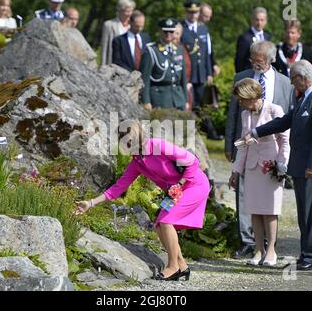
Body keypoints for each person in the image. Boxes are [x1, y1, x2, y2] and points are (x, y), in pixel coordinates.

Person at [75, 120, 210, 281]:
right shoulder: (137, 162)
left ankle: (172, 266)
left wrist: (179, 185)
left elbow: (193, 161)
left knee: (167, 221)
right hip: (176, 191)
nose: (128, 141)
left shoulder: (157, 145)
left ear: (139, 134)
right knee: (159, 225)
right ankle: (182, 266)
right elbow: (117, 188)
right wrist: (90, 203)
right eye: (123, 138)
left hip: (194, 184)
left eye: (130, 136)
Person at [248, 60, 312, 271]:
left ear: (303, 78)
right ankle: (306, 254)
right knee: (304, 213)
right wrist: (257, 131)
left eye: (294, 79)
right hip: (300, 167)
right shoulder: (304, 98)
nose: (292, 84)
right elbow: (284, 122)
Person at [225, 40, 295, 259]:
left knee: (270, 209)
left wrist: (282, 164)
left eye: (260, 60)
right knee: (251, 207)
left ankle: (271, 249)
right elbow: (237, 128)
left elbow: (285, 137)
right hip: (250, 162)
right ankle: (254, 246)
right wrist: (233, 160)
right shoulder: (245, 109)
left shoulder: (281, 94)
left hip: (271, 163)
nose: (255, 63)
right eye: (252, 59)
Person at [139, 18, 188, 111]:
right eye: (165, 31)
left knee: (181, 125)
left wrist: (185, 99)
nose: (168, 34)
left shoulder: (179, 50)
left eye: (171, 31)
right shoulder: (151, 51)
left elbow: (183, 78)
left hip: (178, 98)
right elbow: (144, 78)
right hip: (160, 99)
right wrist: (146, 101)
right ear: (160, 32)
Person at [180, 0, 213, 109]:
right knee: (189, 102)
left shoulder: (203, 28)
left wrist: (209, 73)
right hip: (187, 73)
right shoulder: (180, 28)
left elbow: (207, 53)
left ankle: (202, 125)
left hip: (201, 73)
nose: (193, 15)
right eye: (190, 12)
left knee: (201, 103)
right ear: (185, 12)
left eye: (196, 12)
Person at [100, 0, 136, 66]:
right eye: (127, 11)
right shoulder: (108, 25)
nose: (130, 14)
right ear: (120, 10)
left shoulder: (134, 26)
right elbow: (104, 49)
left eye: (131, 11)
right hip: (113, 63)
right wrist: (103, 66)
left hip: (129, 65)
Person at [235, 7, 271, 73]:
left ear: (266, 21)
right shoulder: (244, 38)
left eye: (262, 20)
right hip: (249, 75)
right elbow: (239, 61)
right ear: (252, 20)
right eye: (257, 20)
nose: (259, 23)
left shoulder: (267, 36)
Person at [173, 23, 193, 111]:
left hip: (184, 88)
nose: (174, 36)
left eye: (177, 33)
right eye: (173, 33)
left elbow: (188, 67)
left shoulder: (183, 49)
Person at [199, 3, 221, 77]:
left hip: (206, 68)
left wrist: (213, 64)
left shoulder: (205, 29)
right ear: (199, 14)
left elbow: (209, 50)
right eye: (206, 16)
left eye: (209, 17)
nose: (208, 19)